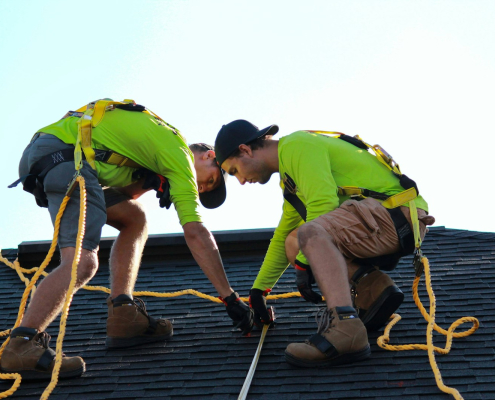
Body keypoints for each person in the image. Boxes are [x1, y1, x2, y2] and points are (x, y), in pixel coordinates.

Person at [0, 100, 253, 380]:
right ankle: (21, 344)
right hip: (65, 158)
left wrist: (148, 183)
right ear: (208, 156)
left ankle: (123, 315)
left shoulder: (155, 150)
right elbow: (195, 233)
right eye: (211, 181)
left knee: (135, 219)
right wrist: (230, 298)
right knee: (83, 263)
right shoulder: (178, 154)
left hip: (60, 154)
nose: (201, 188)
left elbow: (118, 198)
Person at [214, 120, 435, 368]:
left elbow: (323, 204)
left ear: (245, 150)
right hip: (386, 220)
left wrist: (304, 262)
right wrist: (259, 291)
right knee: (293, 241)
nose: (241, 181)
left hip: (396, 215)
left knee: (309, 234)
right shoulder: (291, 176)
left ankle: (346, 327)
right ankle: (373, 289)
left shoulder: (297, 145)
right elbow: (284, 233)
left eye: (234, 171)